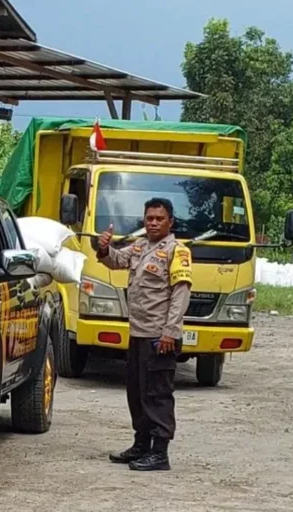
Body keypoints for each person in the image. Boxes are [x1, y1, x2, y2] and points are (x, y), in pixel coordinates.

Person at [97, 197, 192, 471]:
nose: (153, 223)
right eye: (149, 218)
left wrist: (170, 332)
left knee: (158, 394)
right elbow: (116, 261)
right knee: (137, 393)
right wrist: (104, 248)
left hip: (159, 337)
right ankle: (142, 445)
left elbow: (180, 294)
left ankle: (160, 453)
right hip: (138, 333)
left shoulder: (177, 251)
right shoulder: (140, 246)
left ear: (170, 222)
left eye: (159, 218)